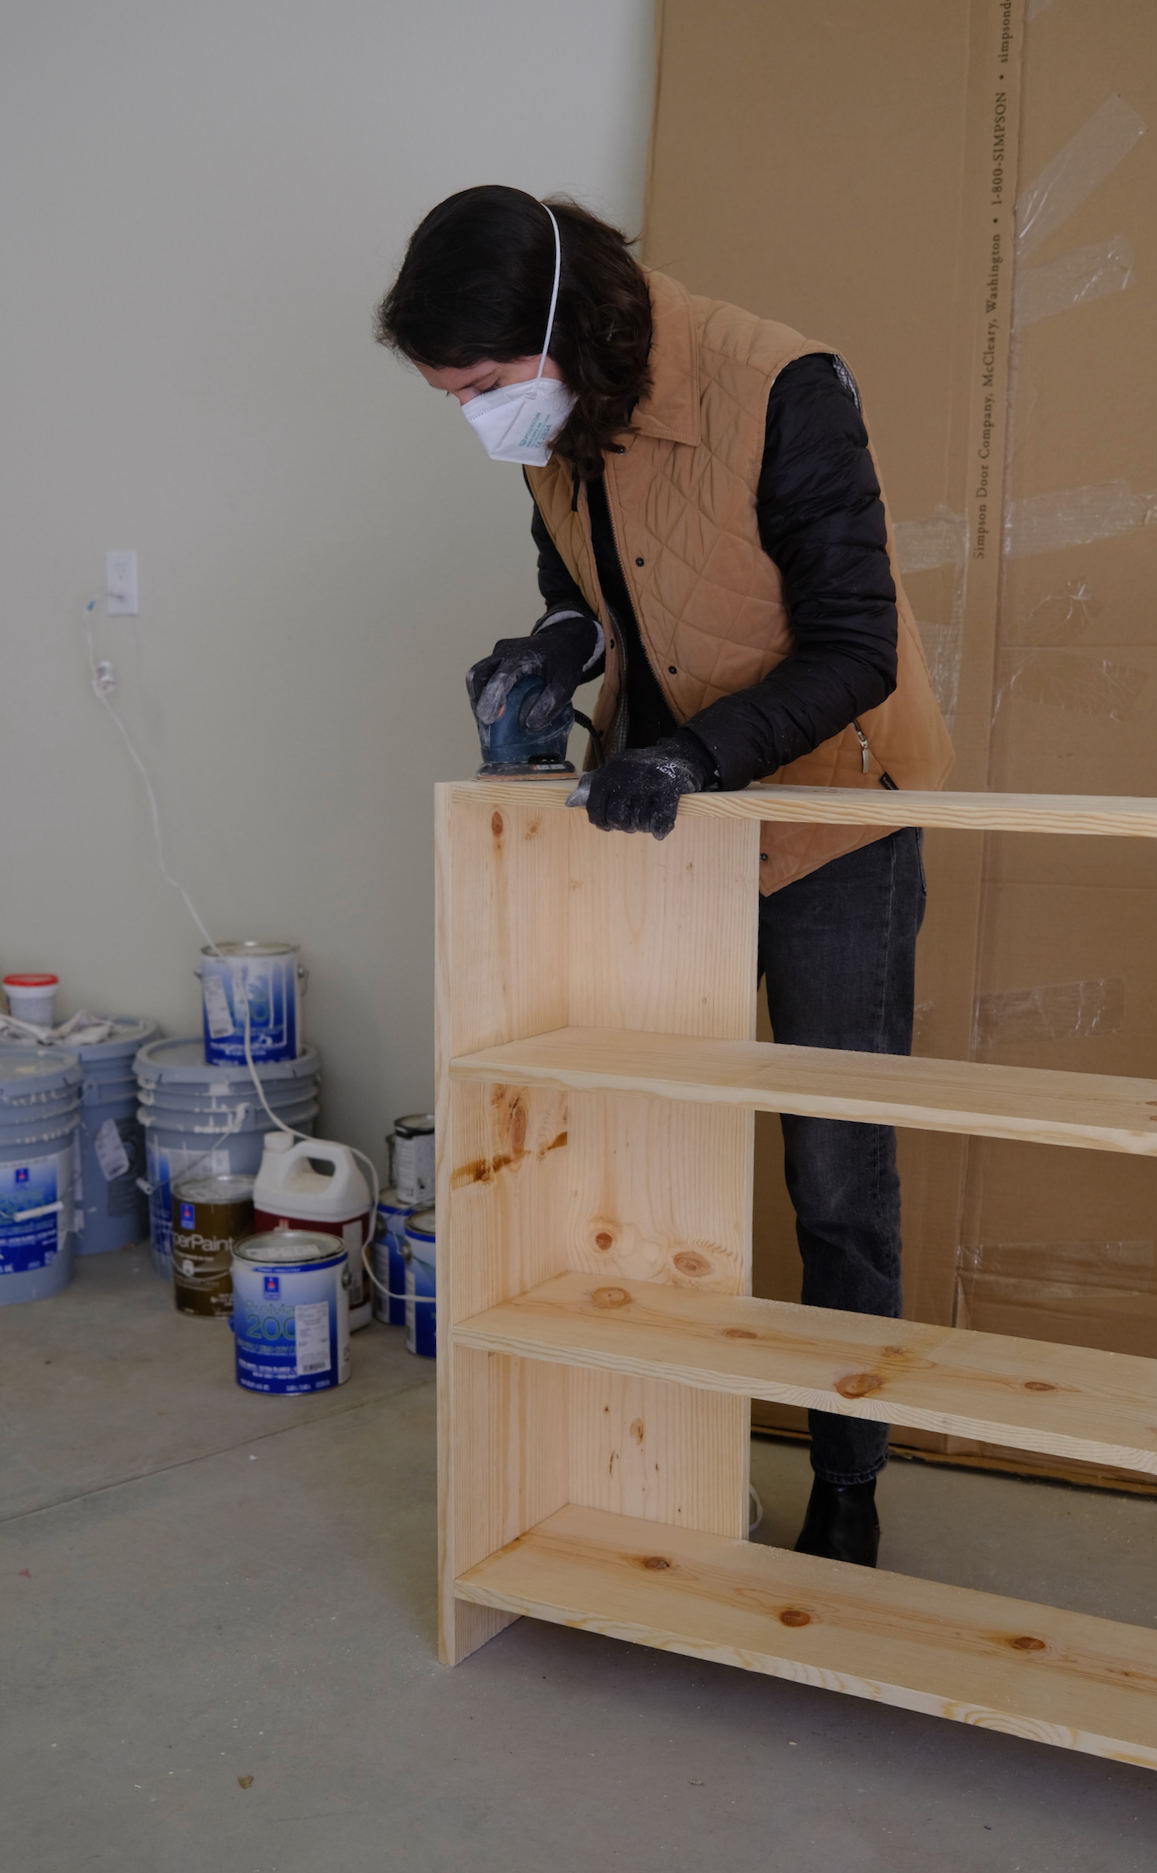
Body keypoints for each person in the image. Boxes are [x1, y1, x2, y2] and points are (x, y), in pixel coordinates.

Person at [377, 186, 954, 1566]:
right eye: (451, 396)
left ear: (567, 326)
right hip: (666, 824)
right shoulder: (554, 424)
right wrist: (551, 652)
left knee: (831, 1177)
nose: (477, 418)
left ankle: (848, 1478)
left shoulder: (782, 386)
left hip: (832, 816)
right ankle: (646, 1454)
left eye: (486, 385)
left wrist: (697, 755)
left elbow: (855, 645)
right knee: (641, 1153)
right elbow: (594, 587)